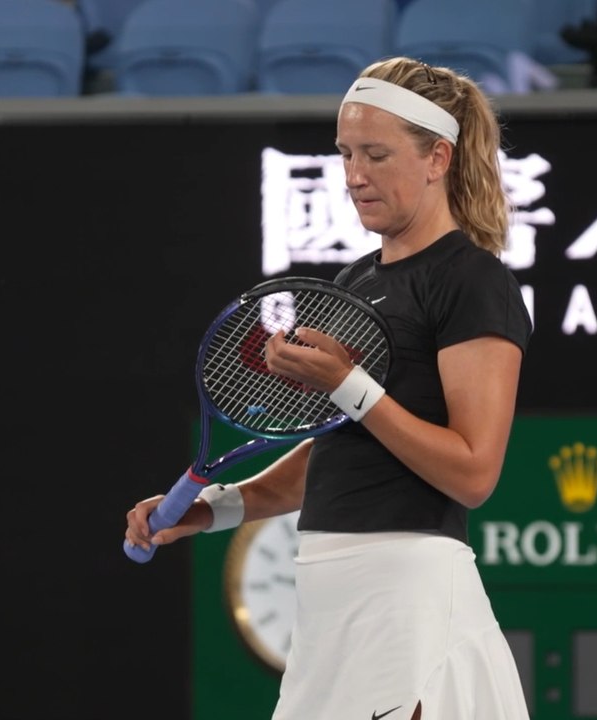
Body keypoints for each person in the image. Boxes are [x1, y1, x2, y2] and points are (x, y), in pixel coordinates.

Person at [125, 56, 532, 720]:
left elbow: (474, 472)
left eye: (375, 154)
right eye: (345, 153)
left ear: (437, 158)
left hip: (408, 588)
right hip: (326, 590)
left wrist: (351, 385)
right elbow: (334, 453)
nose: (353, 176)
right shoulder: (356, 283)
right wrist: (216, 509)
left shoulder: (472, 280)